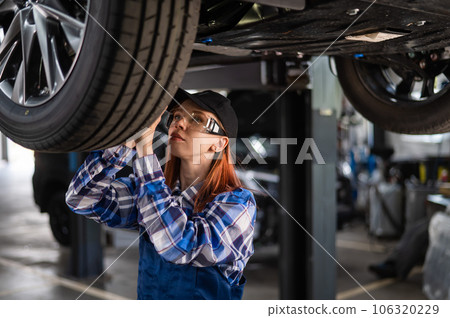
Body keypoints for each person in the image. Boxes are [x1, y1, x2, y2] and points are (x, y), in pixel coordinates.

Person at [65, 89, 257, 300]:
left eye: (196, 118)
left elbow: (178, 245)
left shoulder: (238, 205)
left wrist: (145, 151)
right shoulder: (148, 192)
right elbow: (80, 198)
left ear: (219, 143)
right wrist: (126, 142)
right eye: (176, 116)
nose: (179, 123)